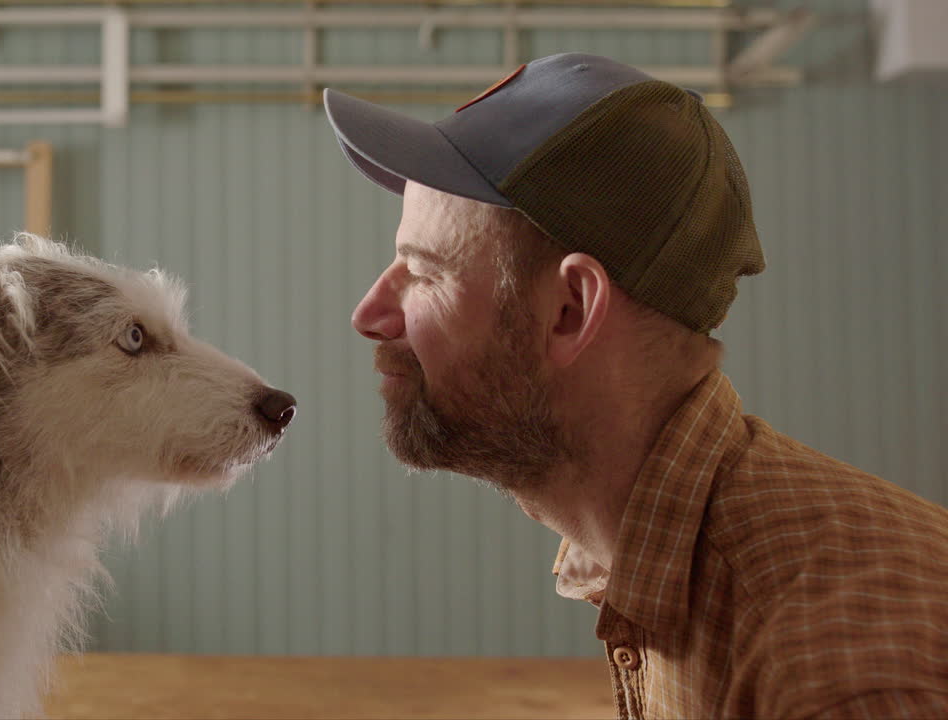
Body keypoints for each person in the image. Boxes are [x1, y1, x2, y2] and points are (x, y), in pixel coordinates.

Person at [323, 52, 948, 719]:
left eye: (422, 272)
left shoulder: (837, 677)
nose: (369, 315)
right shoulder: (672, 565)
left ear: (568, 310)